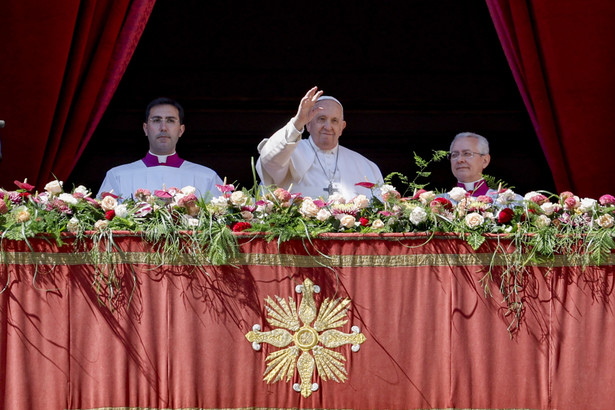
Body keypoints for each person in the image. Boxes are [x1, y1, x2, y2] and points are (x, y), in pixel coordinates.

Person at [256, 86, 383, 200]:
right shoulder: (289, 152)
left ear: (341, 128)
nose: (328, 127)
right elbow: (269, 160)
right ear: (308, 124)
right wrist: (297, 122)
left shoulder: (365, 166)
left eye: (334, 121)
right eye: (321, 119)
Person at [97, 97, 223, 199]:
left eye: (170, 120)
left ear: (181, 130)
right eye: (157, 120)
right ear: (145, 129)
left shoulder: (207, 177)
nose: (163, 128)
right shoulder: (118, 176)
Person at [448, 132, 492, 197]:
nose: (459, 160)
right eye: (454, 155)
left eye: (467, 154)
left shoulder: (505, 202)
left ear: (485, 160)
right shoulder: (437, 203)